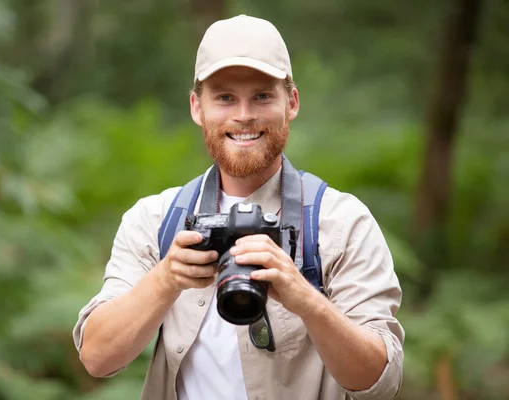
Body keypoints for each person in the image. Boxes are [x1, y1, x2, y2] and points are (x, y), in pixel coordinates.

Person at [73, 14, 404, 400]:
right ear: (197, 107)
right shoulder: (156, 220)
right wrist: (166, 279)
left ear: (291, 102)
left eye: (262, 96)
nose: (243, 115)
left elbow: (381, 381)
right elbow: (97, 358)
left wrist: (305, 298)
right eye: (225, 97)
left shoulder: (340, 223)